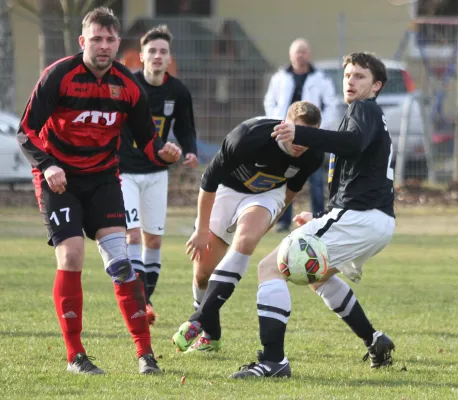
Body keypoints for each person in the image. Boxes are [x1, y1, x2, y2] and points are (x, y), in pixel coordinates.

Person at [16, 7, 181, 375]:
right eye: (96, 39)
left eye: (109, 40)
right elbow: (26, 130)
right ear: (82, 41)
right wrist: (47, 165)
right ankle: (76, 356)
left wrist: (166, 152)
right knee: (72, 255)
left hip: (104, 179)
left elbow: (147, 142)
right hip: (59, 180)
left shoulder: (128, 86)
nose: (103, 46)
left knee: (121, 264)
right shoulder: (59, 75)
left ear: (118, 43)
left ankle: (145, 355)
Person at [229, 52, 396, 379]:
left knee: (269, 268)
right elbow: (356, 167)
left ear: (376, 86)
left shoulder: (365, 108)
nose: (350, 80)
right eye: (347, 75)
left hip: (362, 217)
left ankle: (273, 361)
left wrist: (299, 132)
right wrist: (322, 216)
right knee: (318, 277)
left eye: (360, 76)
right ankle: (375, 340)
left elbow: (352, 143)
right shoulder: (365, 114)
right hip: (373, 220)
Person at [171, 101, 324, 353]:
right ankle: (211, 332)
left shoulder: (313, 154)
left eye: (308, 135)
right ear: (283, 124)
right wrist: (201, 231)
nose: (300, 141)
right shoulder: (248, 137)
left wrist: (264, 225)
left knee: (244, 241)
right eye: (295, 132)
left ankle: (196, 321)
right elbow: (208, 183)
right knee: (202, 273)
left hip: (267, 195)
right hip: (226, 190)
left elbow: (288, 195)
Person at [118, 25, 198, 326]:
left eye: (163, 51)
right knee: (133, 234)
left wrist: (190, 151)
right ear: (141, 56)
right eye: (152, 51)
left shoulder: (178, 91)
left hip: (157, 172)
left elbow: (186, 128)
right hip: (125, 170)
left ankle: (146, 300)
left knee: (154, 241)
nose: (157, 56)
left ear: (169, 58)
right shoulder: (129, 86)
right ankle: (139, 302)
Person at [264, 38, 337, 232]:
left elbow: (331, 104)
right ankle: (282, 221)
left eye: (304, 51)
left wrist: (319, 129)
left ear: (309, 54)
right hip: (285, 136)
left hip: (311, 137)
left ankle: (318, 219)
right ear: (290, 54)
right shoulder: (279, 77)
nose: (300, 55)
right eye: (297, 51)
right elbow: (270, 102)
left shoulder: (321, 78)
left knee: (315, 181)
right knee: (283, 179)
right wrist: (277, 123)